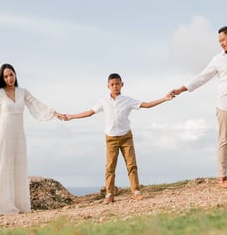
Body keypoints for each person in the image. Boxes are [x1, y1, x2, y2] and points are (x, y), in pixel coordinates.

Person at [0, 64, 62, 217]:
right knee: (2, 166)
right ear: (2, 78)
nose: (9, 78)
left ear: (15, 75)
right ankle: (1, 205)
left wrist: (54, 113)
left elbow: (37, 104)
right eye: (6, 76)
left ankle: (17, 204)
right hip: (4, 134)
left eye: (11, 75)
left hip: (19, 135)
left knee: (18, 167)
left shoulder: (23, 92)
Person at [169, 26, 227, 189]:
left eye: (223, 40)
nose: (221, 43)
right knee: (224, 140)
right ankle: (222, 177)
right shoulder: (218, 59)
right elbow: (202, 77)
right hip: (225, 105)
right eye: (219, 41)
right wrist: (181, 89)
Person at [60, 73, 174, 204]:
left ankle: (136, 192)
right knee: (110, 167)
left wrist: (164, 98)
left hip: (126, 137)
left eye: (117, 84)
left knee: (131, 165)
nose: (115, 86)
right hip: (111, 138)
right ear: (108, 86)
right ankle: (109, 194)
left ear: (122, 85)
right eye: (112, 84)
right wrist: (71, 116)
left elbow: (147, 105)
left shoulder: (128, 100)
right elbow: (89, 112)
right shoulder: (103, 101)